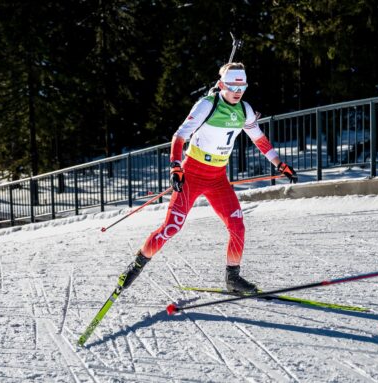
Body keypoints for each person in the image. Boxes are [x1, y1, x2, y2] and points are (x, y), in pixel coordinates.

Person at [117, 62, 297, 293]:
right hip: (191, 174)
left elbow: (259, 140)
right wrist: (175, 167)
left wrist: (279, 164)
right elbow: (180, 135)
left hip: (218, 178)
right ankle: (136, 265)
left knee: (237, 227)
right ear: (222, 84)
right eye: (233, 87)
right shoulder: (206, 105)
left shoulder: (245, 110)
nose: (238, 92)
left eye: (242, 87)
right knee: (172, 227)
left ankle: (233, 278)